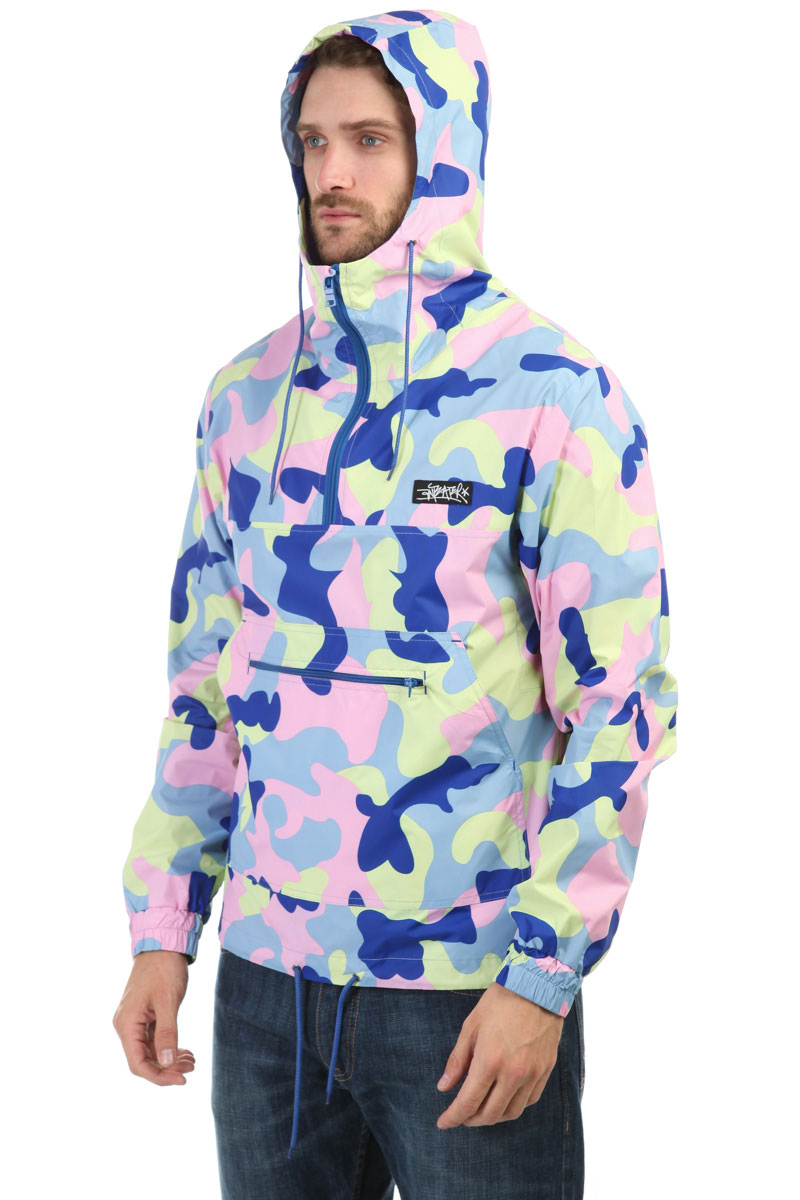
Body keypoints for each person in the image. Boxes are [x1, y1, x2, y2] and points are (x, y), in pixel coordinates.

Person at [113, 11, 678, 1199]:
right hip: (265, 994)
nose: (331, 172)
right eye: (312, 140)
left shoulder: (552, 391)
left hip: (464, 994)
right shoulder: (243, 397)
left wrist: (541, 979)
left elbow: (617, 707)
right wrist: (164, 931)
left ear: (444, 150)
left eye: (370, 140)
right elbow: (205, 684)